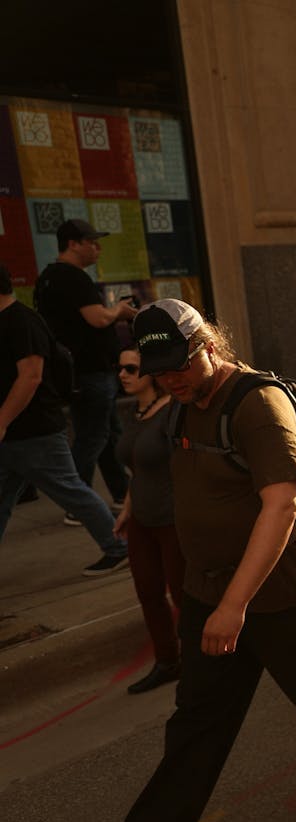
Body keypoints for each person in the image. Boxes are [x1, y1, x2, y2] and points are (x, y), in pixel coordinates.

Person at [54, 299, 296, 822]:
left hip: (276, 594)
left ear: (211, 346)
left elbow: (283, 505)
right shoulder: (180, 406)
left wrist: (234, 606)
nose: (170, 378)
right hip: (208, 590)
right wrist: (132, 512)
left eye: (180, 363)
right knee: (198, 720)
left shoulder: (256, 404)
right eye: (160, 370)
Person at [0, 262, 129, 574]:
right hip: (14, 434)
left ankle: (118, 546)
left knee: (73, 492)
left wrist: (1, 420)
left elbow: (30, 377)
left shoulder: (21, 322)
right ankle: (118, 545)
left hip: (36, 431)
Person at [34, 219, 139, 518]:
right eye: (92, 242)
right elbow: (98, 319)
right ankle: (78, 506)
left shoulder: (48, 278)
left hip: (79, 372)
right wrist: (119, 310)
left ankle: (121, 493)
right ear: (73, 244)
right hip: (90, 372)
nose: (98, 248)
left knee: (107, 434)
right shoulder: (74, 278)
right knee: (93, 437)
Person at [114, 346, 184, 693]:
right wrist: (127, 508)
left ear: (152, 373)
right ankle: (168, 661)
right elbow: (137, 470)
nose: (123, 374)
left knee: (184, 595)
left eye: (131, 368)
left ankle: (206, 661)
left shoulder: (173, 412)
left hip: (172, 517)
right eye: (121, 369)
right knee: (148, 592)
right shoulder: (136, 413)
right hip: (142, 518)